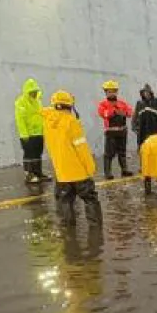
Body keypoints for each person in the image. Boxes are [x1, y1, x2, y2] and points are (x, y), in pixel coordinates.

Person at [40, 91, 101, 225]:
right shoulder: (71, 122)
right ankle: (95, 229)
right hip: (79, 172)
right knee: (90, 199)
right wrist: (90, 167)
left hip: (61, 172)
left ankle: (68, 231)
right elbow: (81, 148)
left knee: (64, 201)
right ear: (69, 105)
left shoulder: (47, 122)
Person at [96, 80, 133, 179]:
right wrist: (114, 110)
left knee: (122, 151)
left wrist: (124, 113)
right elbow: (103, 114)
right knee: (109, 153)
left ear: (116, 92)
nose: (111, 93)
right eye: (109, 91)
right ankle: (108, 172)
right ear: (106, 92)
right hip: (111, 131)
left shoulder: (122, 103)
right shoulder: (103, 104)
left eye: (113, 91)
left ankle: (124, 169)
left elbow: (129, 112)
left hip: (122, 131)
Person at [14, 78, 49, 184]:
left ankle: (38, 172)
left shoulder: (38, 102)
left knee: (38, 154)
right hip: (28, 134)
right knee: (29, 154)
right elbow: (20, 119)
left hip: (38, 133)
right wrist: (24, 134)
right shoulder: (21, 102)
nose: (34, 94)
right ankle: (29, 174)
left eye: (35, 92)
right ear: (27, 92)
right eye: (32, 92)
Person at [133, 84, 157, 149]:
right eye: (144, 92)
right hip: (142, 130)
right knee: (143, 147)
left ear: (150, 92)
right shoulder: (139, 103)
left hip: (155, 128)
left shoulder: (156, 101)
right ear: (142, 93)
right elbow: (135, 116)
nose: (146, 94)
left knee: (155, 146)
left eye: (148, 92)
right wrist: (134, 126)